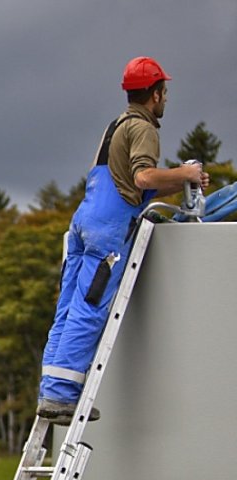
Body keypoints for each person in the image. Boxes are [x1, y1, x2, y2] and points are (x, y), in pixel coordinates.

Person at [36, 56, 210, 423]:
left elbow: (121, 176)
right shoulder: (144, 128)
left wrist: (181, 180)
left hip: (83, 220)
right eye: (164, 92)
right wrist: (187, 172)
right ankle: (62, 396)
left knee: (67, 309)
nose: (166, 99)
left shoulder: (114, 126)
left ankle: (51, 391)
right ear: (155, 94)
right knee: (90, 308)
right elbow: (143, 178)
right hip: (108, 229)